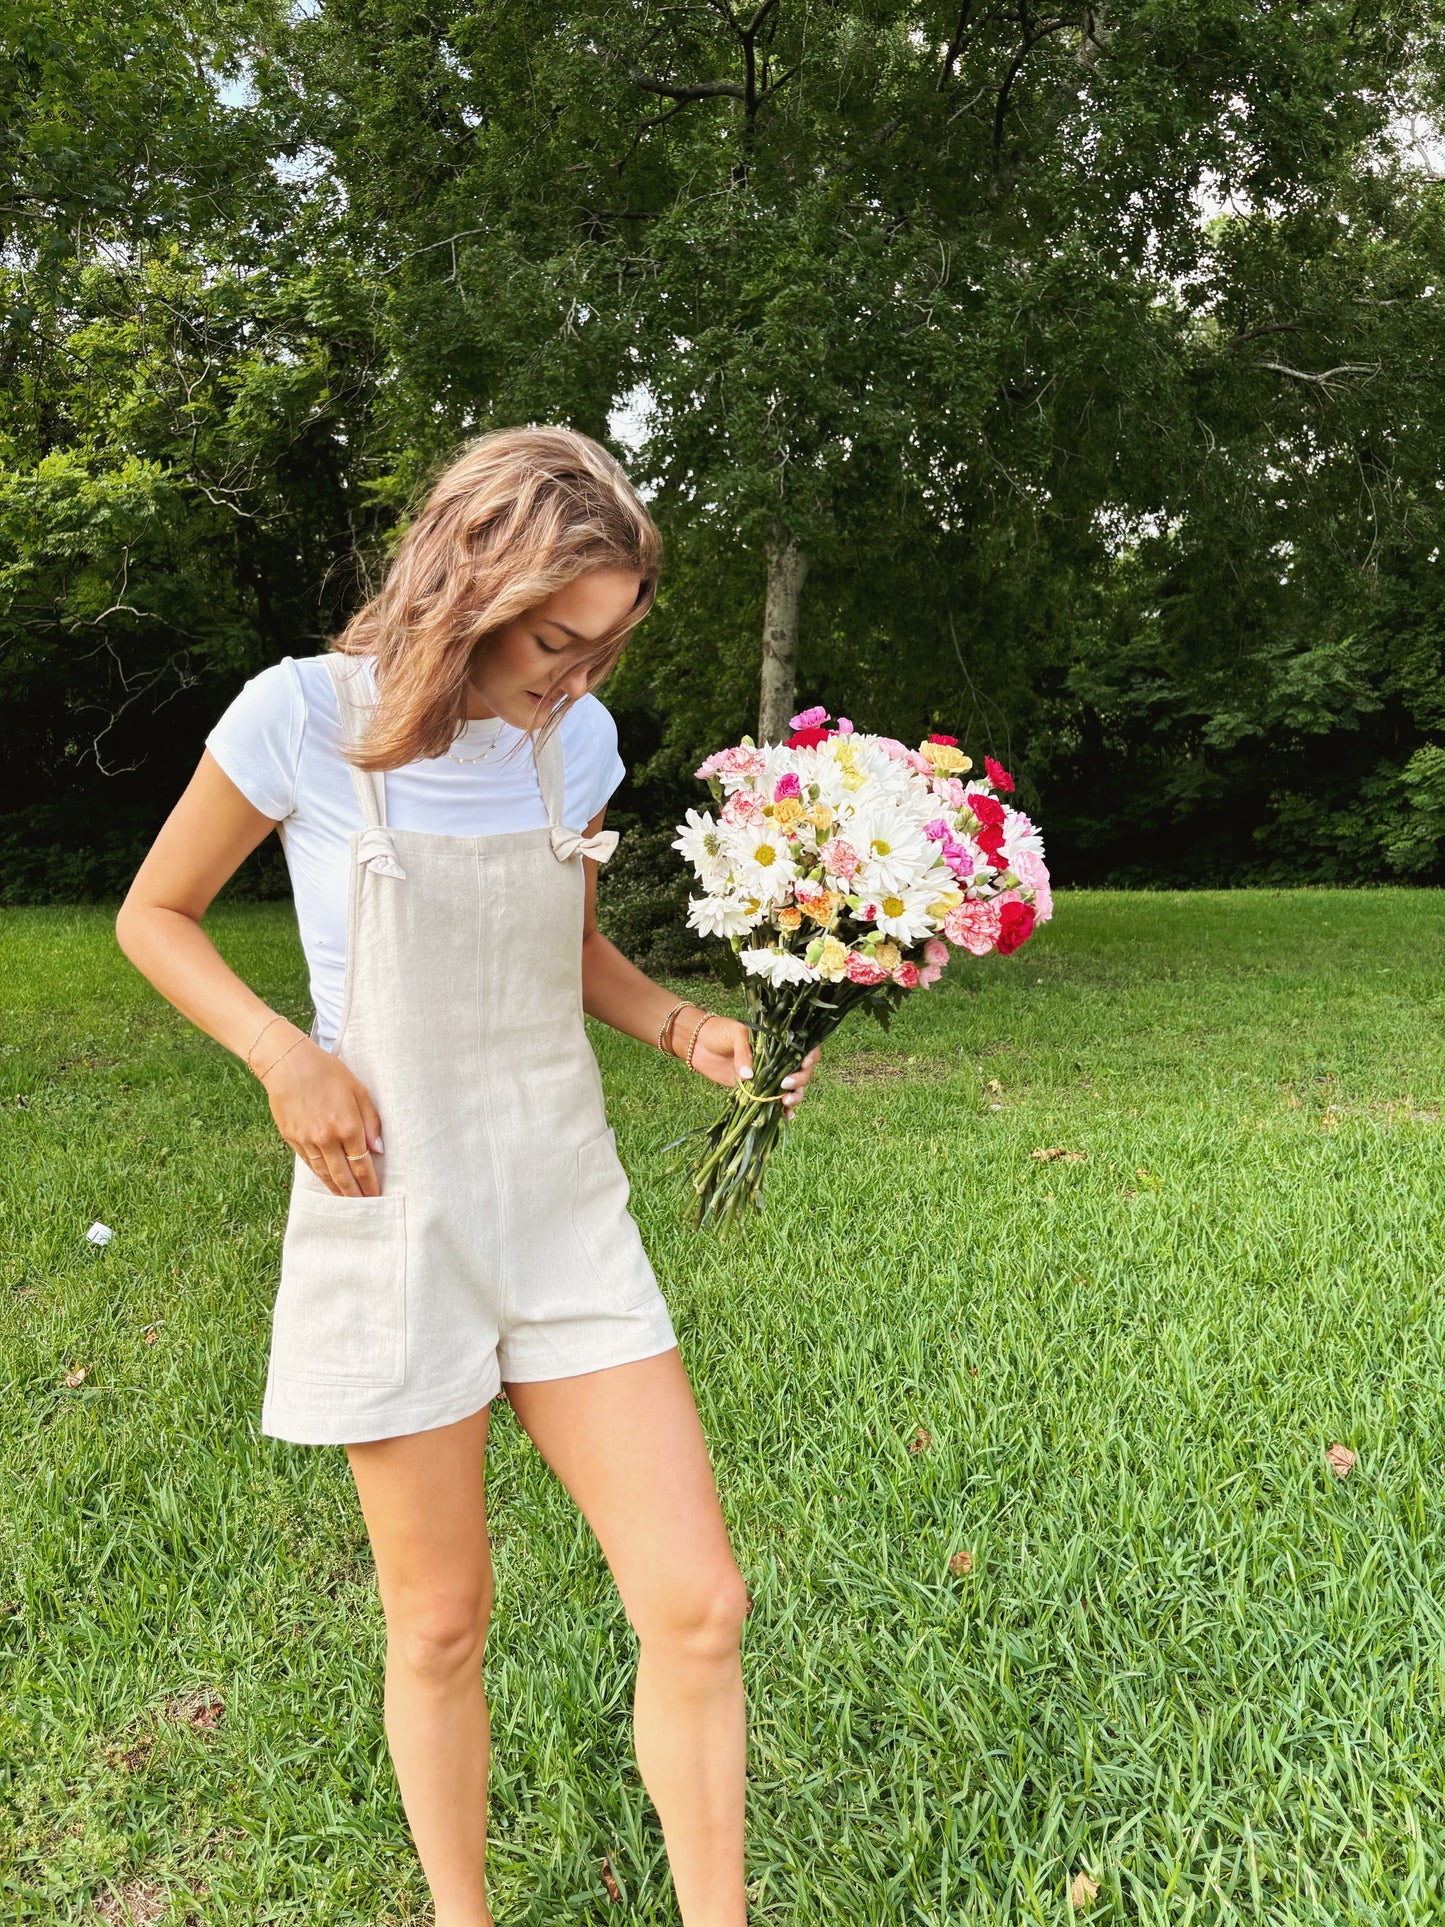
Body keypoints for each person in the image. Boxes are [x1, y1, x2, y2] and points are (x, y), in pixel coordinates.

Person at [114, 424, 823, 1927]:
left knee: (699, 1605)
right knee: (439, 1625)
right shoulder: (301, 718)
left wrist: (687, 1024)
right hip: (395, 1211)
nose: (574, 678)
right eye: (556, 641)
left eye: (605, 647)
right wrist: (281, 1055)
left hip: (562, 1208)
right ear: (470, 583)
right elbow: (155, 915)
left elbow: (565, 955)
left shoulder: (578, 745)